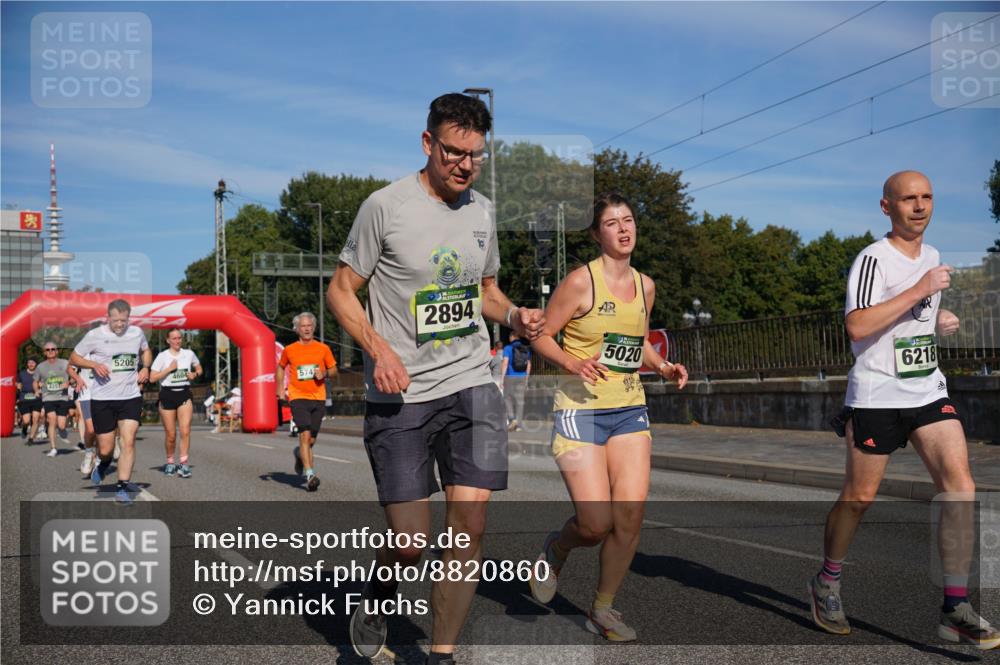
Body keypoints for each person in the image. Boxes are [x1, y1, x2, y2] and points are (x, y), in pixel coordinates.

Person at [328, 92, 544, 665]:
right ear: (428, 143)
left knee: (468, 526)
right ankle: (378, 592)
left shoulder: (483, 211)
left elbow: (485, 293)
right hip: (401, 395)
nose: (464, 165)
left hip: (473, 381)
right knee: (410, 543)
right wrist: (378, 350)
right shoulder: (385, 206)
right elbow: (340, 289)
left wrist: (516, 315)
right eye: (453, 151)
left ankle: (442, 655)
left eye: (475, 155)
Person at [809, 171, 999, 650]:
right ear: (886, 206)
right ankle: (827, 582)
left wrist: (939, 318)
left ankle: (955, 606)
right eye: (908, 199)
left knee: (960, 486)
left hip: (927, 390)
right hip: (877, 396)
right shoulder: (873, 258)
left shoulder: (931, 257)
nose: (919, 206)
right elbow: (857, 326)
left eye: (927, 197)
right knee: (859, 498)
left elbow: (912, 319)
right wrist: (921, 291)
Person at [525, 192, 688, 642]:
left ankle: (602, 609)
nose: (623, 229)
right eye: (612, 223)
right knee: (595, 525)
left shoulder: (645, 285)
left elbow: (638, 343)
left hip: (629, 408)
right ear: (597, 233)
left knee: (630, 518)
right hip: (581, 410)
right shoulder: (580, 283)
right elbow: (540, 337)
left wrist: (663, 366)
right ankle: (556, 548)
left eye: (629, 220)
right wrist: (571, 363)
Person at [69, 299, 152, 506]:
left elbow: (146, 350)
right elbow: (74, 358)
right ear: (108, 317)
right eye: (115, 320)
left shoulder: (136, 333)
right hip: (103, 399)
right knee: (105, 449)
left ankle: (122, 487)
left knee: (128, 441)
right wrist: (94, 364)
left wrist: (146, 367)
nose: (119, 325)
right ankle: (103, 463)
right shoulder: (95, 335)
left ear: (128, 318)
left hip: (130, 397)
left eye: (123, 321)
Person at [276, 312, 337, 491]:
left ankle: (298, 454)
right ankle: (310, 475)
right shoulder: (290, 349)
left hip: (318, 397)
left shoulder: (323, 348)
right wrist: (280, 390)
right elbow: (280, 368)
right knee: (304, 434)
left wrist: (324, 373)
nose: (307, 328)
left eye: (310, 325)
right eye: (303, 326)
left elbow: (334, 370)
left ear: (314, 327)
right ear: (297, 329)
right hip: (297, 397)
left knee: (311, 440)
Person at [150, 328, 202, 478]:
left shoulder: (189, 354)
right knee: (171, 435)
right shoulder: (162, 356)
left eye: (179, 338)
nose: (177, 341)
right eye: (174, 338)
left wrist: (195, 374)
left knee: (185, 431)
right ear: (168, 340)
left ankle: (184, 464)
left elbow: (199, 368)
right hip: (167, 394)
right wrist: (168, 369)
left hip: (184, 393)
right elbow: (152, 378)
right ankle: (170, 461)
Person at [34, 342, 72, 457]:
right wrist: (36, 390)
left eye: (53, 349)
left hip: (62, 397)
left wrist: (69, 383)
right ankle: (53, 448)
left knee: (61, 424)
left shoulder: (65, 363)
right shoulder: (40, 366)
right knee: (51, 419)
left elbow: (74, 377)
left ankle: (62, 430)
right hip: (48, 397)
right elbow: (35, 381)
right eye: (48, 350)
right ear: (45, 353)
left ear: (57, 351)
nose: (50, 351)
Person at [67, 360, 97, 476]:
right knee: (89, 426)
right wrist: (76, 379)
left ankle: (98, 458)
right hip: (85, 393)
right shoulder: (82, 351)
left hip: (105, 395)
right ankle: (88, 450)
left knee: (101, 430)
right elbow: (70, 369)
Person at [502, 332, 531, 431]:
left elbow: (505, 363)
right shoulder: (526, 349)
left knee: (507, 398)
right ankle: (519, 425)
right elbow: (528, 365)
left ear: (512, 337)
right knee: (520, 401)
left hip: (510, 377)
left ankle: (512, 419)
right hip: (522, 377)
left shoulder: (508, 348)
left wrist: (502, 378)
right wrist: (526, 378)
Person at [15, 358, 43, 443]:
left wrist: (41, 386)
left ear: (36, 364)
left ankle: (31, 438)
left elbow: (44, 383)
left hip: (36, 399)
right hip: (24, 398)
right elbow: (17, 383)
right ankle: (24, 429)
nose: (31, 364)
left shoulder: (40, 374)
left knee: (36, 418)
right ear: (27, 364)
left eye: (33, 362)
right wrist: (17, 387)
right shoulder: (22, 374)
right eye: (29, 362)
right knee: (26, 420)